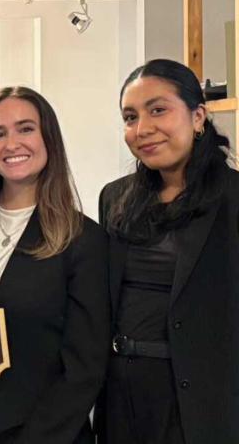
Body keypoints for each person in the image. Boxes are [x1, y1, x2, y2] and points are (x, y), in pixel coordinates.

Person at [0, 86, 110, 444]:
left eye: (25, 128)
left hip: (48, 434)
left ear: (49, 137)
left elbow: (84, 368)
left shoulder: (83, 239)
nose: (11, 143)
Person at [96, 59, 239, 444]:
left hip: (203, 403)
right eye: (130, 117)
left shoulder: (233, 199)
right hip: (122, 401)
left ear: (198, 117)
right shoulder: (115, 197)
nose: (143, 129)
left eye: (158, 110)